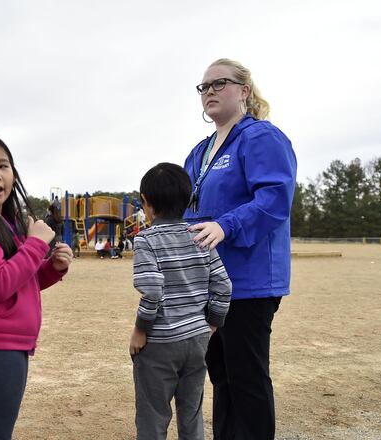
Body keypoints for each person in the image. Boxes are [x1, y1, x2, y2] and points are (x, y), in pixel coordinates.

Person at [184, 58, 297, 439]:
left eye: (220, 84)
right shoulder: (199, 152)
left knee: (246, 377)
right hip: (209, 282)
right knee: (221, 373)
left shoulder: (262, 137)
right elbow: (188, 210)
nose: (210, 92)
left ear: (244, 91)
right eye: (204, 87)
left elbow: (274, 200)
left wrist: (225, 225)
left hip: (249, 282)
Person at [0, 133, 73, 439]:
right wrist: (34, 244)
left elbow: (21, 281)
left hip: (9, 345)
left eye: (3, 165)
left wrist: (52, 268)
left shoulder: (4, 222)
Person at [130, 162, 232, 440]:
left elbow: (152, 291)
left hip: (160, 342)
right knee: (191, 414)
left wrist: (140, 330)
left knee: (153, 416)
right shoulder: (199, 236)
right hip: (197, 340)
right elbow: (224, 286)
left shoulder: (145, 241)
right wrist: (212, 323)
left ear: (146, 204)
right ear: (187, 201)